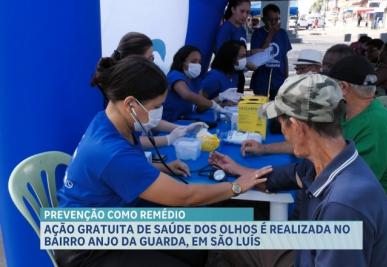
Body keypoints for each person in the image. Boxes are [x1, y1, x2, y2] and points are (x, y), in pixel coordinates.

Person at [56, 56, 269, 267]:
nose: (159, 112)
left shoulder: (108, 122)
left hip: (117, 219)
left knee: (196, 248)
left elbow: (116, 174)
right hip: (89, 249)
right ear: (130, 103)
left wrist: (157, 167)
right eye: (156, 106)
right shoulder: (111, 152)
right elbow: (185, 197)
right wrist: (237, 186)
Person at [210, 73, 387, 266]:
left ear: (298, 126)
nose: (282, 131)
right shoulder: (328, 162)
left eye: (281, 123)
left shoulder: (341, 205)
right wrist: (238, 169)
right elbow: (286, 176)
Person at [242, 56, 387, 216]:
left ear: (343, 88)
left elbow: (349, 188)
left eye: (330, 85)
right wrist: (258, 159)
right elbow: (310, 148)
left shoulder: (378, 124)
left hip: (367, 217)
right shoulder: (347, 115)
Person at [111, 32, 207, 148]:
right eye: (150, 58)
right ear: (133, 60)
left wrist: (181, 129)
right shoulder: (119, 91)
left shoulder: (138, 84)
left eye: (153, 57)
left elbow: (149, 120)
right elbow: (126, 141)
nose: (152, 62)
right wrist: (168, 139)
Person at [162, 45, 226, 122]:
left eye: (199, 62)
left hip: (186, 120)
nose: (197, 65)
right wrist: (212, 104)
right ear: (182, 62)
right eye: (193, 61)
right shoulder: (174, 75)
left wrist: (220, 98)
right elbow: (186, 95)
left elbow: (200, 108)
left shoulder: (196, 80)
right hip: (170, 121)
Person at [249, 4, 292, 99]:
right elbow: (258, 56)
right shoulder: (257, 34)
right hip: (262, 79)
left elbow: (284, 57)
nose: (274, 22)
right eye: (270, 20)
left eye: (277, 19)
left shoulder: (282, 34)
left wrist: (286, 77)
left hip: (278, 79)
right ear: (263, 20)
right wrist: (270, 35)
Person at [215, 0, 251, 93]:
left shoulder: (242, 29)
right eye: (242, 11)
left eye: (247, 12)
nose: (245, 15)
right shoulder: (226, 29)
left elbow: (241, 52)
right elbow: (222, 54)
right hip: (226, 76)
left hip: (238, 75)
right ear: (233, 9)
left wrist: (252, 53)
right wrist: (247, 64)